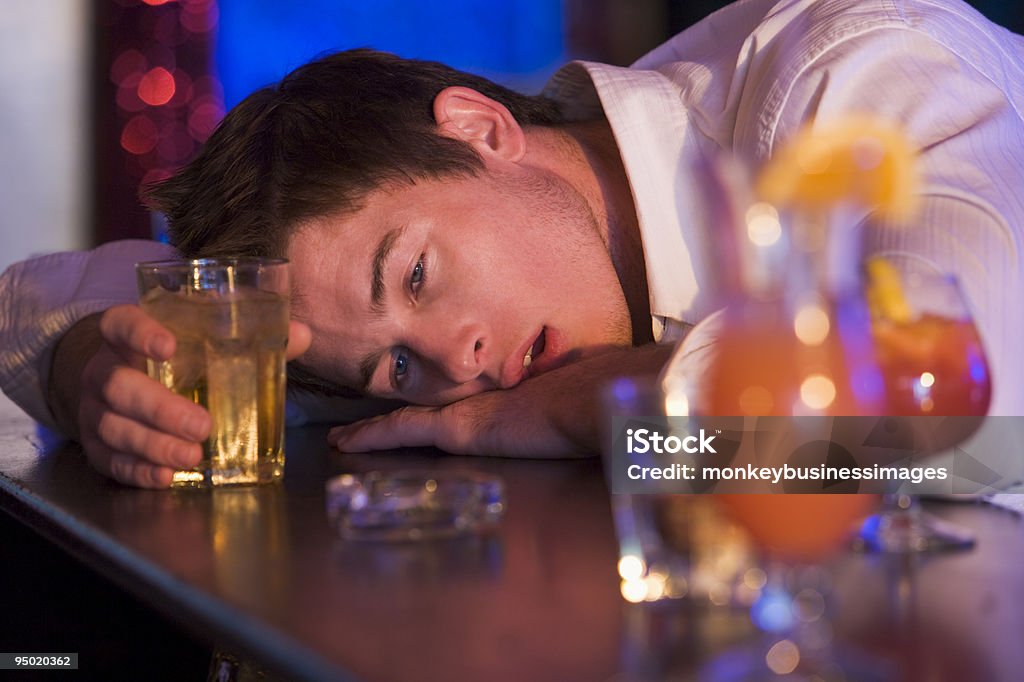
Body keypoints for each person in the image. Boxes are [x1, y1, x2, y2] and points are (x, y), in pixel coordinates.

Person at [1, 0, 1022, 488]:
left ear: (481, 131)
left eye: (415, 273)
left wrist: (624, 403)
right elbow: (23, 300)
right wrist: (89, 363)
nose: (453, 362)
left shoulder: (846, 73)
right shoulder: (426, 343)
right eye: (394, 367)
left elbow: (968, 407)